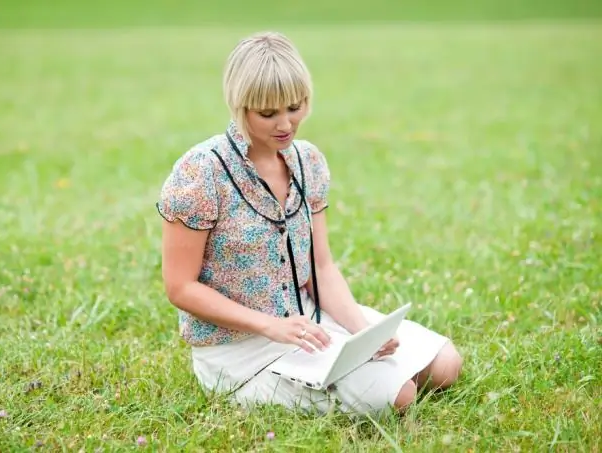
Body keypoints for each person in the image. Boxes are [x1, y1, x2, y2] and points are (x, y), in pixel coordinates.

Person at [156, 31, 462, 416]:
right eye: (268, 113)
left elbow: (321, 266)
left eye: (295, 107)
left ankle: (352, 369)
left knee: (447, 364)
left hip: (308, 324)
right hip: (239, 350)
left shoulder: (308, 162)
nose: (285, 123)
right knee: (399, 395)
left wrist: (361, 332)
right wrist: (270, 326)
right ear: (240, 106)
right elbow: (180, 287)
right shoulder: (202, 172)